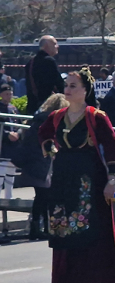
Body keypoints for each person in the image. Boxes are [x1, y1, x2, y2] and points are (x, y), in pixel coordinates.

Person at [38, 67, 115, 283]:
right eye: (66, 85)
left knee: (86, 238)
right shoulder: (56, 116)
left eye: (72, 86)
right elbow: (43, 134)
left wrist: (113, 180)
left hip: (88, 185)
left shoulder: (96, 116)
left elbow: (113, 149)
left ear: (85, 90)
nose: (67, 90)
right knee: (64, 238)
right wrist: (50, 149)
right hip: (62, 183)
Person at [15, 93, 68, 240]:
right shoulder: (48, 121)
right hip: (40, 162)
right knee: (43, 197)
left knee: (42, 197)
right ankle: (39, 227)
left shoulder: (39, 119)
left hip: (35, 162)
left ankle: (40, 227)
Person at [25, 35, 65, 114]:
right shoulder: (49, 61)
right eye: (54, 44)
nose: (57, 46)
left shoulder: (30, 63)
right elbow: (59, 83)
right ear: (46, 46)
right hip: (48, 108)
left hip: (33, 107)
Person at [0, 83, 21, 148]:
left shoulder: (13, 108)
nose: (9, 96)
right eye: (7, 94)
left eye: (11, 94)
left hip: (15, 142)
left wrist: (18, 133)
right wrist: (7, 134)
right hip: (3, 142)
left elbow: (20, 124)